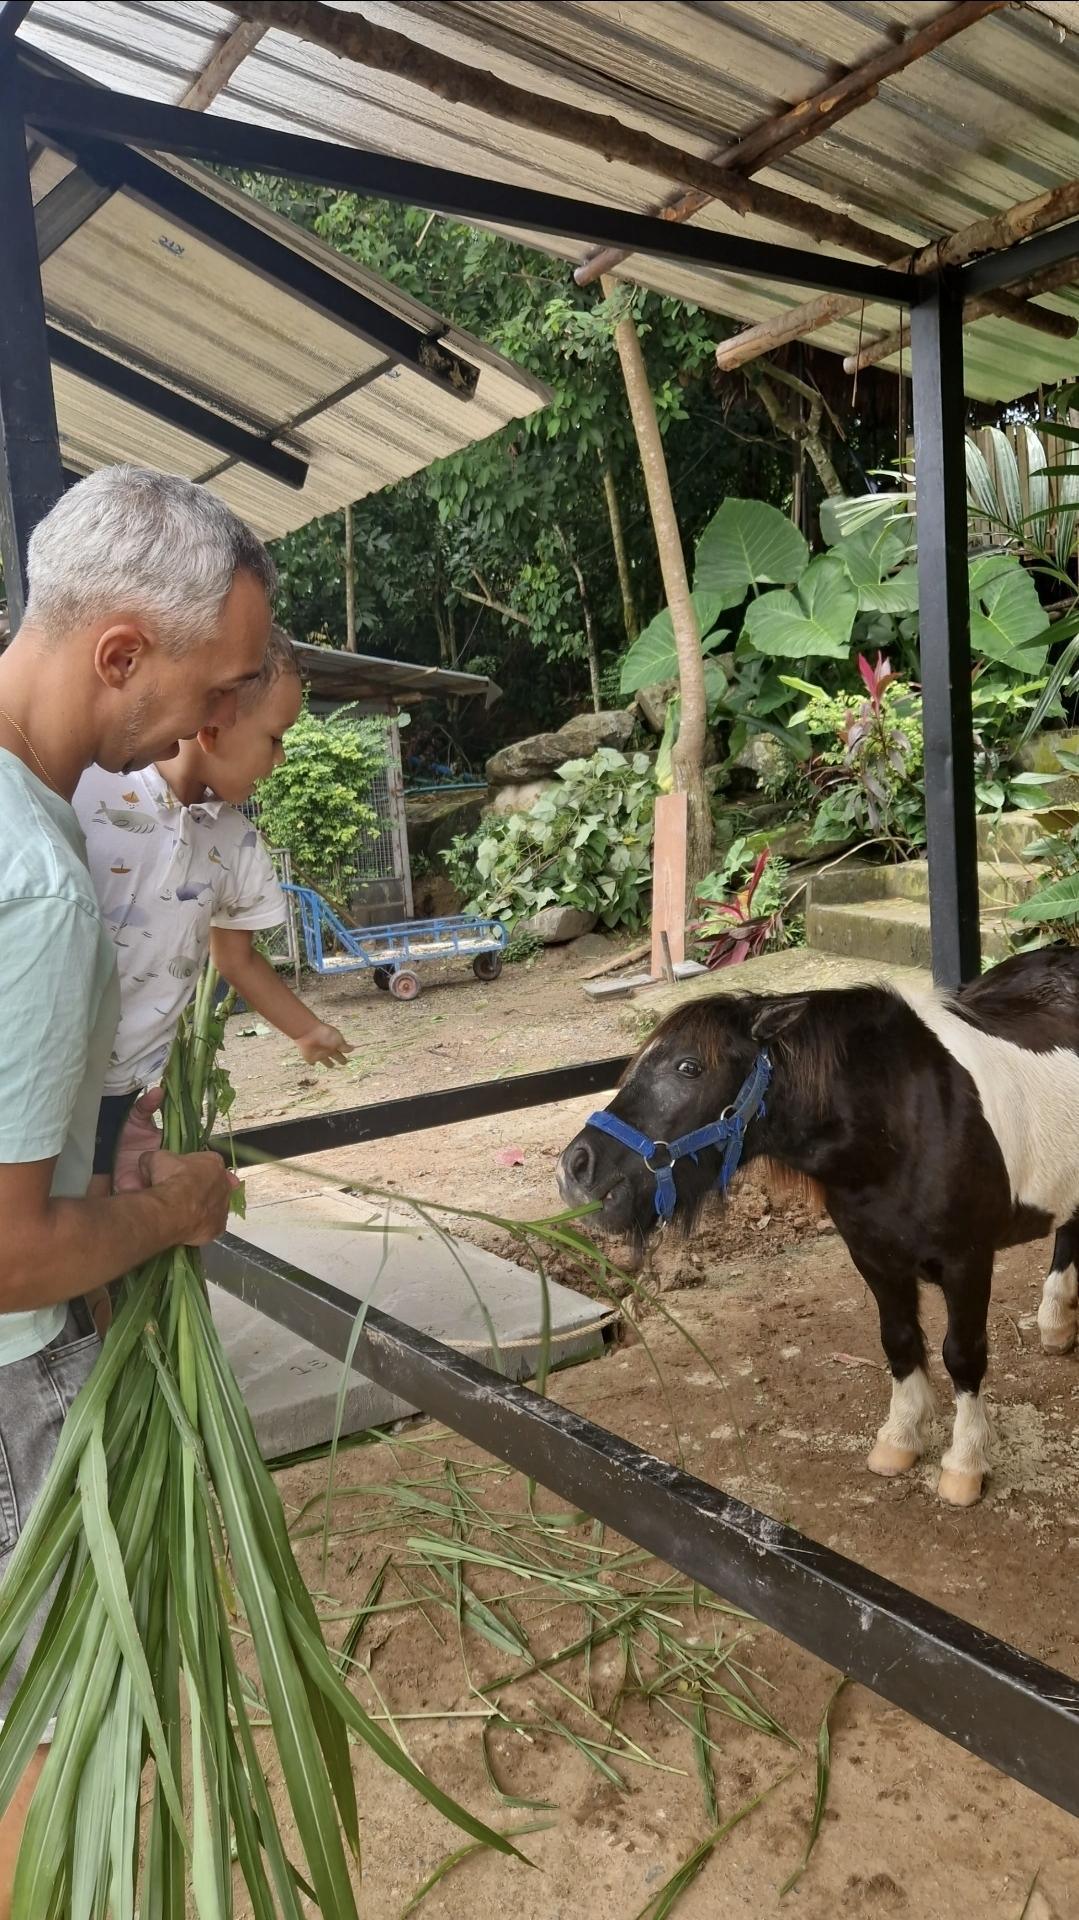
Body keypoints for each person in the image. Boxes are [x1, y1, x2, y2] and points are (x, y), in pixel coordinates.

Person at [0, 465, 275, 1920]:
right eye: (216, 683)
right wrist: (173, 1209)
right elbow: (9, 1255)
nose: (211, 720)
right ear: (122, 654)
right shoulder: (41, 884)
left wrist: (82, 1141)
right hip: (9, 1378)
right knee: (47, 1738)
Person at [74, 622, 353, 1209]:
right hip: (53, 1070)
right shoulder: (89, 791)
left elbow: (236, 958)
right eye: (274, 738)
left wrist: (305, 1029)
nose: (278, 760)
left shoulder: (237, 843)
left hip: (121, 1088)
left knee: (91, 1220)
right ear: (212, 724)